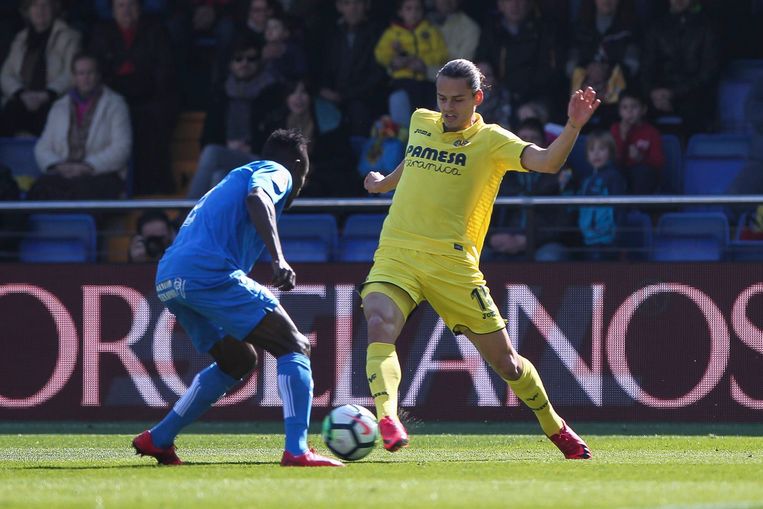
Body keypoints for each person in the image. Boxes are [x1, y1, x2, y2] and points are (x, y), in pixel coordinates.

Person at [361, 58, 597, 459]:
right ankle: (388, 418)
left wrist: (573, 126)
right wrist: (385, 183)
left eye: (457, 100)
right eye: (442, 98)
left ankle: (555, 426)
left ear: (477, 98)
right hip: (398, 252)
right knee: (379, 322)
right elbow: (415, 158)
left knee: (507, 365)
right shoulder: (421, 121)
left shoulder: (492, 141)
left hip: (453, 265)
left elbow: (548, 162)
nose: (447, 107)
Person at [132, 129, 343, 467]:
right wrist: (278, 258)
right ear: (298, 164)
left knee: (238, 360)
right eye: (304, 174)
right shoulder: (278, 170)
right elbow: (258, 198)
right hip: (206, 272)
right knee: (294, 345)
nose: (301, 183)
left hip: (169, 277)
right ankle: (297, 450)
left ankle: (158, 438)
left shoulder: (234, 177)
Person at [89, 0, 177, 195]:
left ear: (139, 8)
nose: (126, 11)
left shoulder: (156, 31)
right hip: (115, 97)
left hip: (149, 96)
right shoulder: (101, 33)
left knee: (153, 117)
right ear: (112, 10)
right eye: (121, 6)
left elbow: (164, 71)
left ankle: (155, 188)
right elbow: (100, 71)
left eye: (131, 5)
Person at [186, 33, 281, 199]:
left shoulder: (272, 91)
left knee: (211, 153)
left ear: (259, 61)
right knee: (219, 176)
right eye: (238, 59)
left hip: (260, 158)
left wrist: (250, 146)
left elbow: (277, 135)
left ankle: (187, 212)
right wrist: (229, 146)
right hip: (227, 155)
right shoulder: (221, 93)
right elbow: (208, 136)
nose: (244, 63)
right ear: (230, 63)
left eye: (251, 59)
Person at [29, 52, 131, 200]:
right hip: (64, 172)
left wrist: (88, 166)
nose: (86, 78)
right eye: (81, 73)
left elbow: (122, 148)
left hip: (100, 174)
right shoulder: (59, 107)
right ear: (74, 77)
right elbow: (42, 146)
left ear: (98, 75)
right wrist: (57, 165)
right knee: (39, 190)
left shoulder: (116, 105)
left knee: (82, 192)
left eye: (90, 73)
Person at [488, 118, 576, 261]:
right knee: (479, 256)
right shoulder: (500, 171)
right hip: (505, 238)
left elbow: (566, 220)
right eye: (523, 138)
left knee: (550, 257)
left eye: (534, 139)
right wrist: (492, 237)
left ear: (544, 144)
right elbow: (484, 210)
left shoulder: (561, 174)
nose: (528, 143)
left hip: (544, 242)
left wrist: (530, 239)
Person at [0, 0, 81, 136]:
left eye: (45, 5)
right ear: (28, 11)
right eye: (35, 5)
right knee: (10, 111)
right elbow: (6, 74)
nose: (40, 10)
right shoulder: (20, 39)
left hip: (54, 99)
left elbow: (73, 72)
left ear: (54, 8)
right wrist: (20, 93)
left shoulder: (70, 37)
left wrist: (47, 94)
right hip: (22, 99)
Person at [640, 0, 720, 135]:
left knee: (696, 112)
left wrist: (674, 93)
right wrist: (653, 92)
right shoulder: (656, 27)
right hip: (659, 92)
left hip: (694, 94)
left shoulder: (707, 26)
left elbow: (708, 72)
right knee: (635, 108)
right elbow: (646, 67)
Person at [314, 0, 386, 138]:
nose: (353, 8)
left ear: (366, 5)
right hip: (331, 95)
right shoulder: (330, 33)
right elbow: (321, 67)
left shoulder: (377, 33)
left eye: (357, 3)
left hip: (363, 97)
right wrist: (322, 89)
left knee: (358, 112)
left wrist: (345, 95)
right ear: (339, 7)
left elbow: (377, 75)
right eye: (347, 3)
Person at [374, 0, 449, 126]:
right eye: (408, 9)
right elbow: (380, 53)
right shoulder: (393, 33)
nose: (413, 13)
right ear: (400, 12)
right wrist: (393, 59)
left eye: (417, 9)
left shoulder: (431, 31)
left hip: (426, 80)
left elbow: (441, 54)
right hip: (402, 79)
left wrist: (422, 62)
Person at [577, 130, 627, 260]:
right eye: (592, 149)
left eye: (602, 149)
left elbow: (620, 210)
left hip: (607, 242)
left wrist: (617, 238)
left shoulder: (614, 177)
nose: (596, 154)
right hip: (587, 240)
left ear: (611, 152)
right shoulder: (586, 180)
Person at [610, 88, 664, 195]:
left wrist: (640, 158)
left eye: (634, 107)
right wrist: (623, 137)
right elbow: (612, 158)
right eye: (625, 107)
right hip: (621, 172)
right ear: (619, 111)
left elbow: (659, 162)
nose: (629, 112)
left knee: (642, 172)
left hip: (642, 176)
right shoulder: (615, 129)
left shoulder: (651, 132)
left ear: (643, 110)